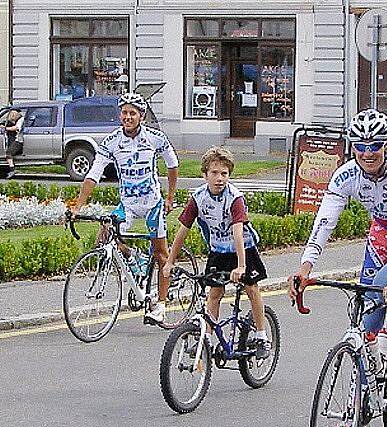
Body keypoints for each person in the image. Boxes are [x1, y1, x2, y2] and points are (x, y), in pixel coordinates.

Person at [289, 108, 387, 378]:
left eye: (375, 146)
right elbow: (325, 221)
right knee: (368, 300)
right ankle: (372, 370)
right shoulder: (346, 176)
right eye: (360, 146)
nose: (367, 153)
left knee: (385, 284)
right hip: (381, 233)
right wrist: (305, 266)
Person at [68, 92, 179, 325]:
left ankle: (160, 305)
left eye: (132, 113)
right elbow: (93, 175)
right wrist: (78, 206)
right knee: (104, 235)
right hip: (127, 203)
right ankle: (134, 258)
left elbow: (173, 165)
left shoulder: (156, 138)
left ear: (141, 116)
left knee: (160, 254)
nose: (127, 117)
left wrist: (169, 197)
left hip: (152, 203)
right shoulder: (111, 142)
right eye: (124, 112)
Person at [162, 147, 270, 359]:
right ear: (205, 174)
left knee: (251, 288)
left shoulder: (234, 198)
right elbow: (182, 230)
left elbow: (237, 232)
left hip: (243, 250)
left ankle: (261, 336)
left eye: (224, 174)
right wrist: (170, 262)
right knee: (214, 294)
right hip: (219, 250)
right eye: (214, 173)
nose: (220, 178)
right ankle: (208, 340)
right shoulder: (199, 197)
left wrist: (241, 266)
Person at [3, 109, 24, 178]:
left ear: (17, 114)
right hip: (17, 140)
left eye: (13, 114)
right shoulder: (17, 120)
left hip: (19, 141)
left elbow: (16, 128)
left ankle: (12, 170)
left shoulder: (21, 120)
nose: (12, 116)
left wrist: (5, 128)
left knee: (8, 153)